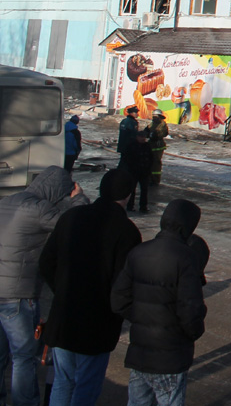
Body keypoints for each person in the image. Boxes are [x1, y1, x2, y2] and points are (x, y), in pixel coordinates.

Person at [39, 169, 142, 406]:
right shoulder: (126, 232)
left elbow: (46, 262)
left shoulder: (72, 217)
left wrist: (63, 289)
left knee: (63, 382)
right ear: (128, 195)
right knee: (86, 384)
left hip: (64, 317)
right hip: (97, 323)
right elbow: (124, 284)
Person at [0, 166, 88, 406]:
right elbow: (73, 225)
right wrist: (78, 199)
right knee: (23, 356)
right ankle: (24, 402)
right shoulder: (40, 209)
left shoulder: (8, 200)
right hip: (18, 295)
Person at [111, 199, 207, 406]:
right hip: (171, 355)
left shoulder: (139, 252)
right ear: (189, 227)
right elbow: (190, 309)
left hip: (140, 351)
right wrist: (194, 331)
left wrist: (143, 318)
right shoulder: (186, 257)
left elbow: (118, 299)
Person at [117, 107, 151, 213]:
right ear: (132, 113)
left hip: (123, 147)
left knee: (123, 166)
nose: (137, 114)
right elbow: (133, 135)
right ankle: (137, 206)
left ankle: (130, 205)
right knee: (136, 187)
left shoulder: (123, 121)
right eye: (136, 112)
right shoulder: (132, 123)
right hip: (134, 161)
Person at [146, 109, 169, 186]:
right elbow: (147, 131)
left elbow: (162, 133)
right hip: (150, 145)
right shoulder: (152, 124)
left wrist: (154, 135)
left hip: (158, 146)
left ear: (159, 117)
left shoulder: (162, 125)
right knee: (149, 162)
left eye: (155, 116)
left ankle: (155, 179)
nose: (154, 118)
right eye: (153, 116)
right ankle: (149, 178)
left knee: (156, 163)